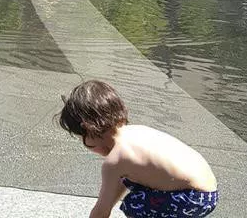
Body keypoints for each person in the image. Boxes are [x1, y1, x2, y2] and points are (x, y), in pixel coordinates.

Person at [58, 80, 218, 218]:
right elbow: (120, 184)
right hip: (207, 192)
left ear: (89, 130)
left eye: (82, 139)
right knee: (137, 189)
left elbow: (102, 210)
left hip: (193, 198)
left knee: (136, 204)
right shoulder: (137, 131)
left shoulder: (115, 160)